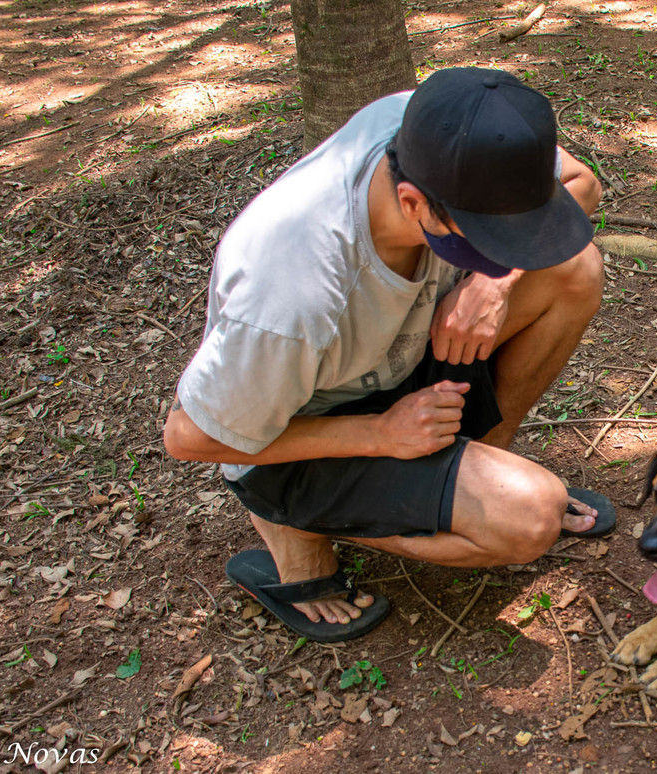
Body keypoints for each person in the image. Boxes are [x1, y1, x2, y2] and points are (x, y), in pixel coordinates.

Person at [163, 67, 614, 642]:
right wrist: (380, 434)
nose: (504, 252)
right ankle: (295, 526)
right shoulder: (292, 293)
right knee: (531, 519)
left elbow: (583, 184)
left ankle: (469, 470)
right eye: (491, 239)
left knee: (574, 269)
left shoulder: (440, 127)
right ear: (413, 202)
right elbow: (189, 438)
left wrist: (493, 278)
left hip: (395, 355)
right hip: (295, 434)